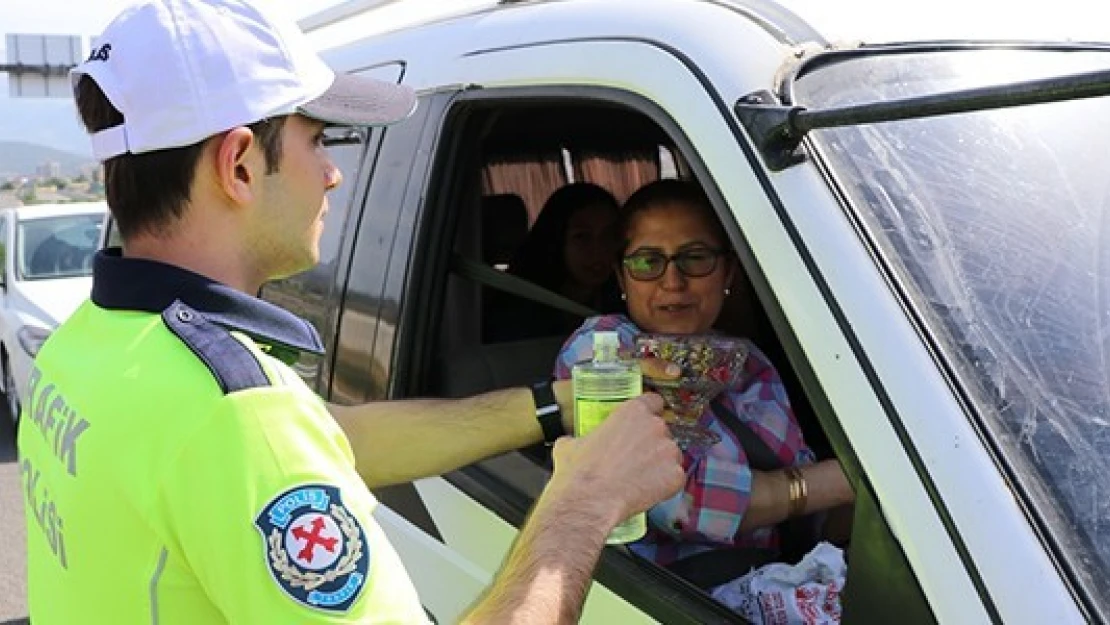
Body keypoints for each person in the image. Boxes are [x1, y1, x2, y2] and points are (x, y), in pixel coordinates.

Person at [16, 1, 684, 624]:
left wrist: (552, 403)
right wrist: (587, 498)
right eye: (319, 140)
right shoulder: (236, 412)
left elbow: (336, 438)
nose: (334, 172)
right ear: (239, 166)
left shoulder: (90, 344)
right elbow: (263, 439)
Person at [554, 179, 854, 589]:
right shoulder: (602, 351)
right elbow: (685, 505)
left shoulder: (750, 361)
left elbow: (808, 511)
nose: (673, 281)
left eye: (695, 258)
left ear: (727, 270)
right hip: (674, 598)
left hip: (781, 580)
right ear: (622, 278)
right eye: (646, 262)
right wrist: (845, 481)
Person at [490, 183, 623, 342]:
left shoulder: (625, 306)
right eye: (582, 236)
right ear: (557, 240)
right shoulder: (517, 315)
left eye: (608, 235)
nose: (599, 250)